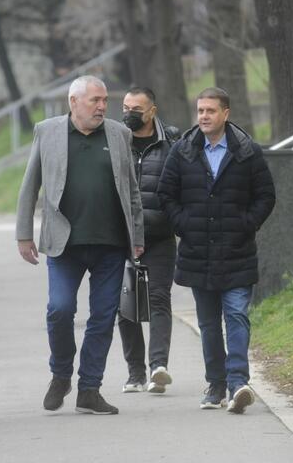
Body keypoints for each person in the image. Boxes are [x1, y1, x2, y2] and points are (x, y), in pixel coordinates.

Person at [16, 76, 144, 416]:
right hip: (64, 245)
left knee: (102, 318)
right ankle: (61, 374)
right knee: (59, 310)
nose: (102, 106)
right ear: (73, 102)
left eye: (104, 100)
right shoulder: (47, 132)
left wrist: (138, 238)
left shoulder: (119, 134)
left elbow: (131, 191)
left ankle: (89, 388)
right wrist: (24, 234)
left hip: (111, 244)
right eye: (94, 100)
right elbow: (30, 185)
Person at [157, 87, 275, 414]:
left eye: (210, 111)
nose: (204, 116)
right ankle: (216, 384)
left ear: (226, 113)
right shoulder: (182, 151)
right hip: (198, 251)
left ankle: (238, 383)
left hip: (237, 249)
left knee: (236, 315)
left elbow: (266, 196)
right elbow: (166, 194)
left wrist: (246, 223)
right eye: (200, 111)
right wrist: (185, 224)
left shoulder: (247, 152)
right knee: (208, 323)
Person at [118, 87, 179, 394]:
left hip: (159, 235)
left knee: (158, 298)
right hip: (122, 236)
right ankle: (135, 373)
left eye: (136, 109)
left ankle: (158, 367)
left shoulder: (172, 143)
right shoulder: (115, 141)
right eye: (125, 108)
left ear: (152, 111)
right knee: (125, 303)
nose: (129, 114)